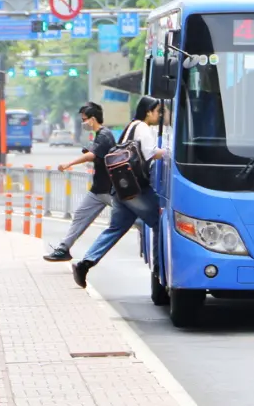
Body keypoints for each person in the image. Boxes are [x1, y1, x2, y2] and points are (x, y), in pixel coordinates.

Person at [72, 96, 168, 289]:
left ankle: (85, 263)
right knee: (160, 221)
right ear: (148, 111)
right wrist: (170, 153)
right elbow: (150, 153)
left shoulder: (130, 126)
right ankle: (159, 271)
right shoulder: (142, 128)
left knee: (116, 229)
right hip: (135, 190)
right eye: (157, 111)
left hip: (121, 188)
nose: (159, 115)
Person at [44, 102, 117, 262]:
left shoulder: (105, 135)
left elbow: (91, 155)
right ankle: (63, 248)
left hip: (111, 190)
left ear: (92, 119)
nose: (83, 123)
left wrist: (69, 164)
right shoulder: (100, 135)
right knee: (80, 216)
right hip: (99, 190)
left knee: (133, 217)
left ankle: (156, 229)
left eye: (84, 119)